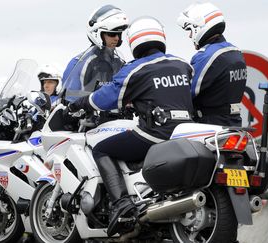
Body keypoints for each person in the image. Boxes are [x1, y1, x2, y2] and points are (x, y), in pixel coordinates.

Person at [68, 17, 194, 236]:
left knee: (102, 149)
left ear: (135, 41)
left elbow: (107, 96)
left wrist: (82, 103)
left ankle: (122, 204)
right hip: (186, 132)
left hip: (156, 132)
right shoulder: (183, 64)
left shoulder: (136, 69)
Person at [177, 2, 247, 126]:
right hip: (234, 124)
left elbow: (185, 94)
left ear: (199, 26)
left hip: (209, 125)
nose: (189, 35)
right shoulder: (235, 52)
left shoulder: (206, 56)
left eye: (190, 30)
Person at [62, 4, 128, 93]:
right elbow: (69, 99)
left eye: (119, 34)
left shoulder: (119, 63)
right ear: (98, 34)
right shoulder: (80, 63)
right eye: (112, 34)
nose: (116, 38)